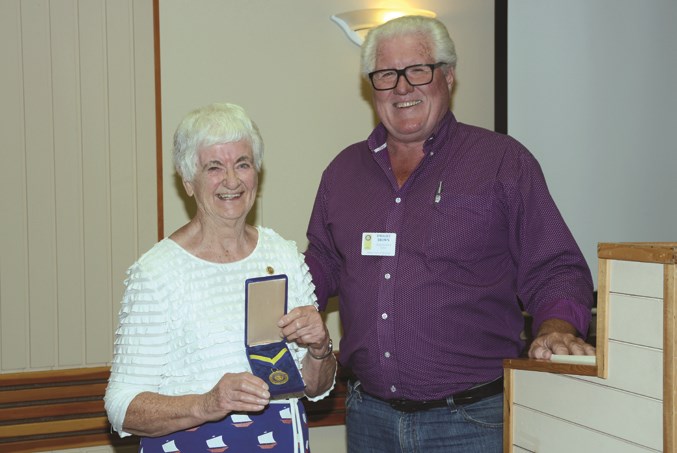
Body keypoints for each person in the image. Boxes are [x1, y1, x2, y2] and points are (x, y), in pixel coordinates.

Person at [304, 15, 595, 452]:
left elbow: (556, 266)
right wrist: (272, 297)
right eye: (386, 74)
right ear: (372, 86)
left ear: (449, 76)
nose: (402, 88)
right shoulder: (343, 173)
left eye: (418, 70)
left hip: (472, 421)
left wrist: (555, 326)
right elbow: (321, 263)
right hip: (369, 420)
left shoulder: (502, 162)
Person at [105, 102, 336, 453]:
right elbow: (122, 407)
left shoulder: (283, 254)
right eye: (214, 167)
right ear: (187, 182)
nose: (231, 180)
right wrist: (207, 403)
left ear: (257, 173)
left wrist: (320, 349)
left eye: (242, 164)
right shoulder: (157, 272)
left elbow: (314, 388)